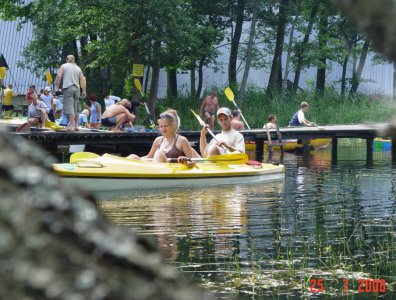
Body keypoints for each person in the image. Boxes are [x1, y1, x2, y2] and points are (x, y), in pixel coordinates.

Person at [127, 109, 198, 167]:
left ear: (174, 125)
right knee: (133, 156)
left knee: (159, 154)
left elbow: (193, 161)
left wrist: (185, 161)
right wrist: (135, 159)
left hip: (172, 170)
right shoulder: (158, 140)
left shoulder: (182, 140)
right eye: (161, 126)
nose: (163, 129)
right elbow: (149, 157)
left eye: (166, 126)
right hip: (156, 167)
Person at [55, 54, 86, 131]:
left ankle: (71, 125)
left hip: (68, 88)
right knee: (75, 107)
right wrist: (84, 90)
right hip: (77, 89)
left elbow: (59, 76)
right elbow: (83, 79)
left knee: (70, 107)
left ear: (66, 60)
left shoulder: (64, 66)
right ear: (74, 60)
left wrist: (57, 87)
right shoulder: (78, 68)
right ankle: (76, 125)